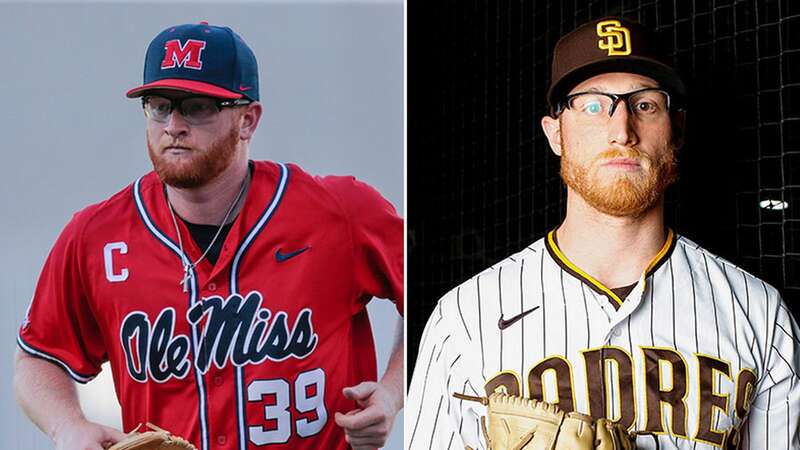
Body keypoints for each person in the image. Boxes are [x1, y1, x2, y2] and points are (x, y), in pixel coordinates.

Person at [407, 17, 800, 450]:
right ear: (555, 133)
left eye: (645, 105)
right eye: (593, 105)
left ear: (678, 129)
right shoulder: (464, 317)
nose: (621, 131)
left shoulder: (759, 312)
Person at [14, 22, 403, 450]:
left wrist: (392, 390)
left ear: (247, 120)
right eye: (159, 106)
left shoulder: (339, 212)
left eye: (197, 106)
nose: (173, 125)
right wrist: (66, 424)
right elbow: (37, 357)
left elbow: (439, 297)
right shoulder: (95, 237)